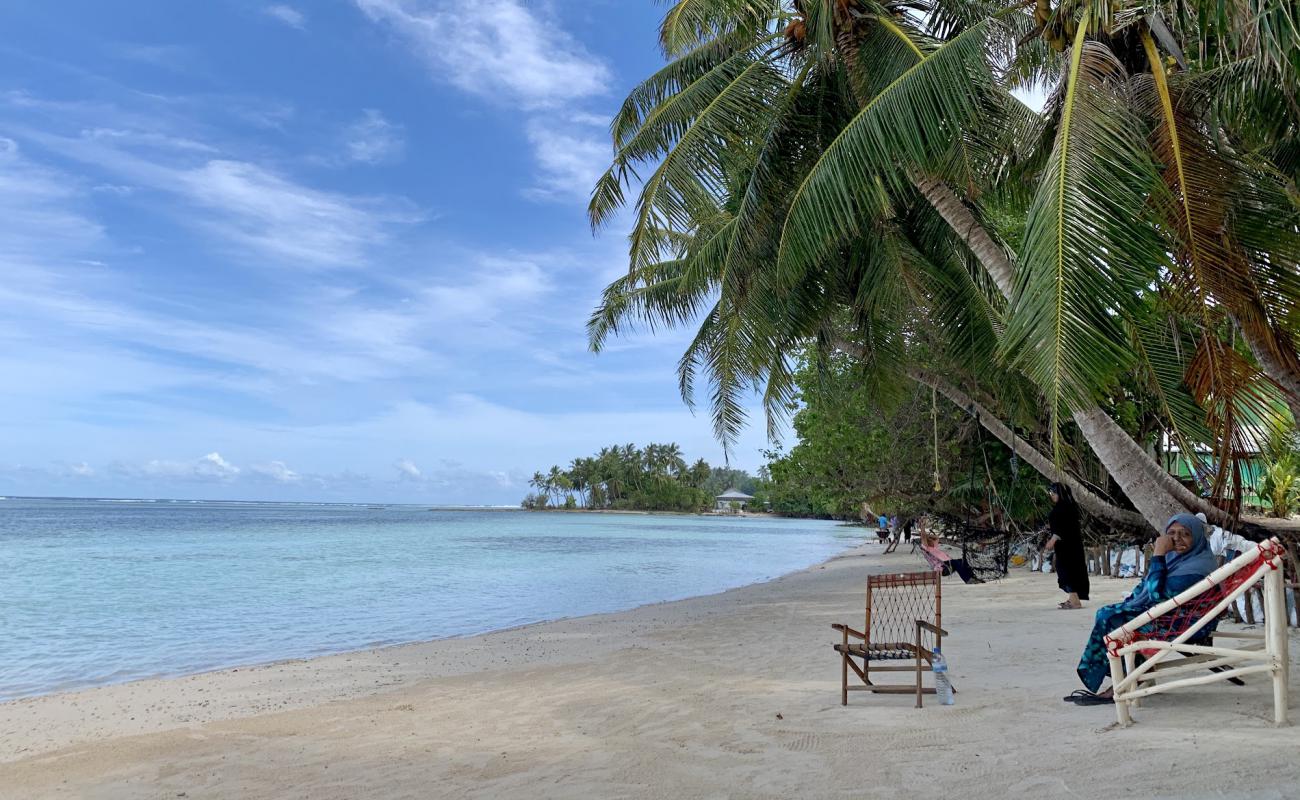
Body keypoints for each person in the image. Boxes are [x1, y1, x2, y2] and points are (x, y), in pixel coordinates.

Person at [1067, 513, 1217, 705]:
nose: (1176, 539)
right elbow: (1145, 587)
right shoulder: (1180, 559)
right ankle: (1133, 674)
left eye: (1185, 534)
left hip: (1186, 622)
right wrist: (1129, 603)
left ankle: (1125, 681)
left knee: (1111, 618)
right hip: (1173, 614)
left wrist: (1158, 554)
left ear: (1196, 537)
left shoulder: (1197, 567)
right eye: (1171, 533)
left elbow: (1157, 597)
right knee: (1111, 613)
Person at [1042, 482, 1089, 609]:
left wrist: (1052, 540)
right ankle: (1072, 599)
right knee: (1070, 569)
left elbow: (1063, 528)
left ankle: (1075, 601)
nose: (1051, 495)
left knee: (1066, 571)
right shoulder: (1070, 506)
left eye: (1054, 492)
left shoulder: (1062, 508)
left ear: (1061, 493)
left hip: (1067, 546)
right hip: (1071, 545)